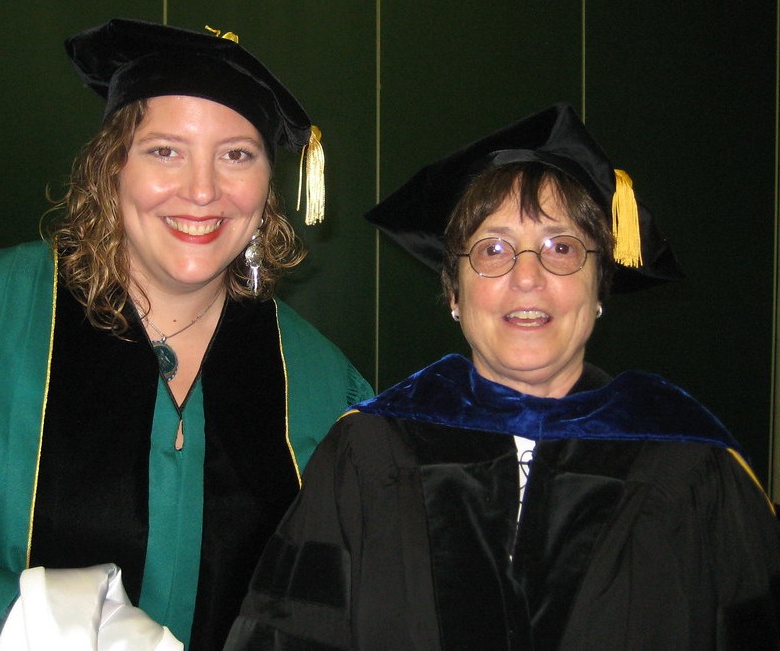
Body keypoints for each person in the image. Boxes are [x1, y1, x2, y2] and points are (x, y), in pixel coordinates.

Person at [0, 18, 372, 651]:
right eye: (164, 150)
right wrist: (20, 624)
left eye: (237, 154)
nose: (203, 190)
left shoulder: (320, 382)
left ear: (268, 187)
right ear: (111, 167)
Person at [224, 103, 780, 650]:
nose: (528, 277)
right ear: (454, 294)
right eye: (493, 249)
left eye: (561, 247)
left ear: (600, 287)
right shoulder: (368, 452)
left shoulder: (692, 464)